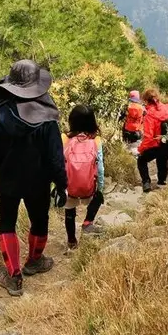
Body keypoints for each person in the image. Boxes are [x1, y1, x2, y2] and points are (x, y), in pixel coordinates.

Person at [0, 59, 67, 297]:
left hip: (7, 180)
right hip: (39, 181)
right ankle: (34, 262)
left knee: (7, 222)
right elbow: (56, 157)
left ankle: (14, 277)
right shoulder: (47, 116)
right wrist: (62, 184)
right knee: (40, 219)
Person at [62, 105, 105, 250]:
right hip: (89, 186)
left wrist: (59, 184)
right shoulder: (96, 140)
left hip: (69, 185)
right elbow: (100, 167)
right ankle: (87, 222)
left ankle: (71, 241)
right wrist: (100, 187)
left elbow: (58, 162)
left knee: (69, 211)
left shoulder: (64, 138)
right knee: (98, 198)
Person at [137, 89, 168, 192]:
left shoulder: (149, 115)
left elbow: (148, 137)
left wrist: (141, 149)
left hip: (156, 144)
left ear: (146, 100)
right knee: (162, 161)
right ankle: (162, 182)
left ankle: (146, 182)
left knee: (141, 160)